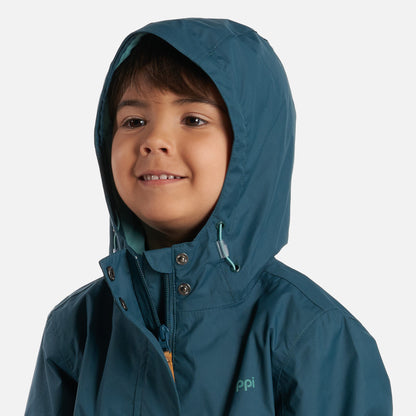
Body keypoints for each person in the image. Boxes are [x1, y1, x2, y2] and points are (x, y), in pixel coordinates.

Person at [25, 18, 392, 415]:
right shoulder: (78, 328)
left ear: (250, 149)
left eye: (193, 120)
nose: (154, 140)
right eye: (134, 121)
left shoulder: (313, 336)